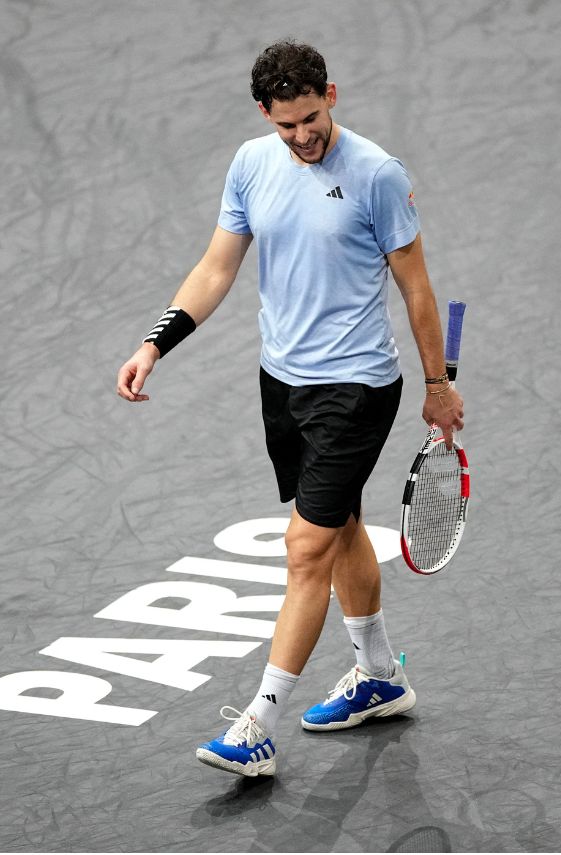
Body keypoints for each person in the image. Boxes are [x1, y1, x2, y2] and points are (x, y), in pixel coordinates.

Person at [115, 39, 465, 778]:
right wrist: (156, 344)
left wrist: (437, 386)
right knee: (336, 533)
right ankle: (379, 676)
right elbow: (216, 268)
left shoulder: (376, 174)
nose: (302, 137)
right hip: (284, 384)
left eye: (311, 118)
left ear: (331, 95)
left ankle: (258, 723)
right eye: (286, 126)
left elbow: (418, 288)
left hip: (358, 388)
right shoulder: (251, 164)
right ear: (263, 115)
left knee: (304, 547)